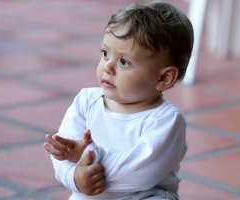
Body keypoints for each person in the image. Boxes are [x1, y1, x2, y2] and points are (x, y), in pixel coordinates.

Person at [43, 1, 193, 199]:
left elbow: (139, 174)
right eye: (105, 54)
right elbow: (64, 152)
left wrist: (87, 157)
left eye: (124, 61)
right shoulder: (86, 102)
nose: (108, 67)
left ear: (163, 78)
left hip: (142, 194)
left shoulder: (167, 120)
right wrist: (74, 177)